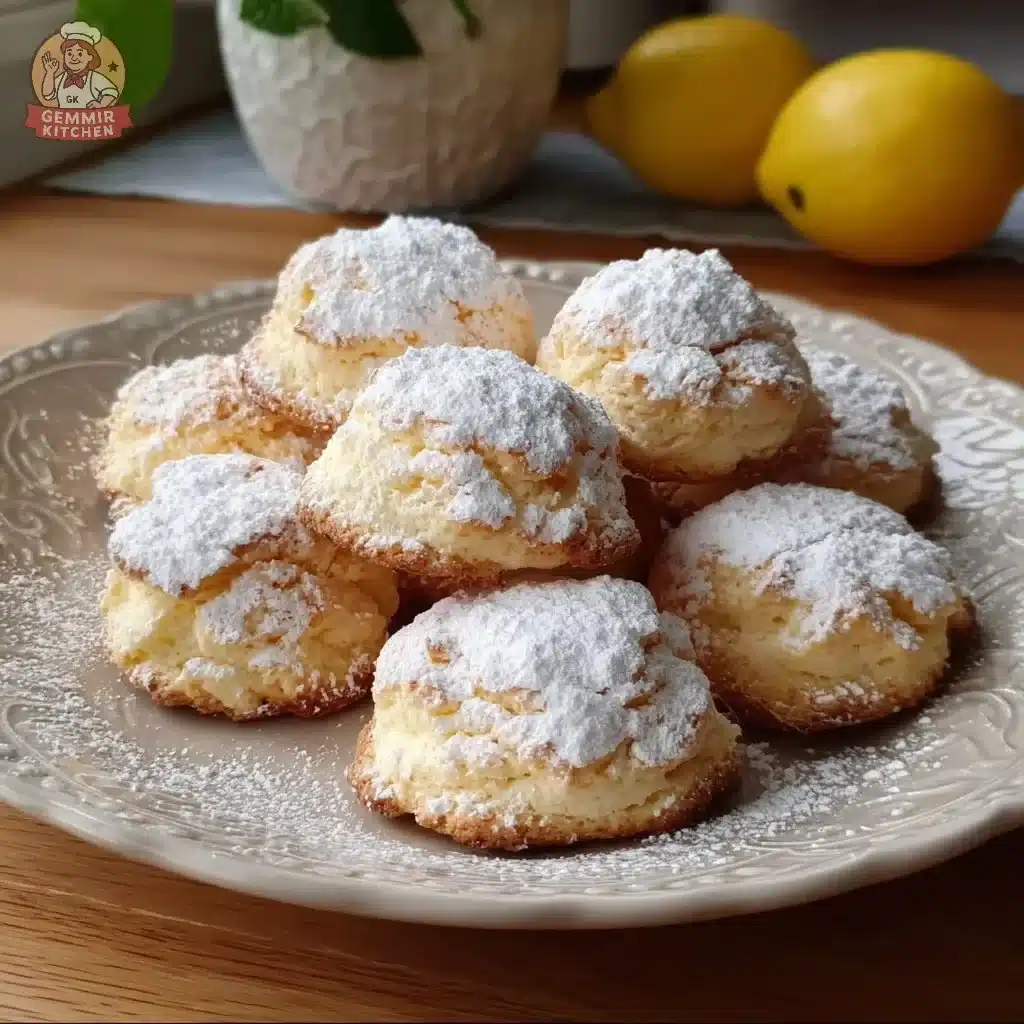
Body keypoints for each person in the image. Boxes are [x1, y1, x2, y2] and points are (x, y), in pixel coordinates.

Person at [40, 22, 119, 110]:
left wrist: (101, 104)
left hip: (90, 121)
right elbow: (47, 95)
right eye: (69, 53)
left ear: (90, 57)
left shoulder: (94, 78)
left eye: (80, 53)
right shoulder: (62, 78)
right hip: (65, 120)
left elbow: (112, 92)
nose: (74, 58)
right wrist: (50, 73)